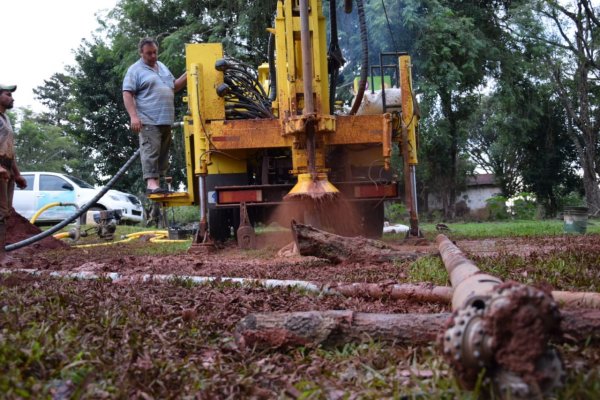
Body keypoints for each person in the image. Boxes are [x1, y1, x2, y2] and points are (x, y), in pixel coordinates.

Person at [123, 37, 187, 194]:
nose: (153, 56)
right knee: (151, 150)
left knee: (163, 153)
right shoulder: (135, 70)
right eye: (149, 53)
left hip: (166, 119)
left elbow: (174, 86)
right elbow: (127, 93)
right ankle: (151, 184)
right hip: (148, 119)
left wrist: (189, 73)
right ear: (141, 53)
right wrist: (133, 117)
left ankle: (157, 184)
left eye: (155, 52)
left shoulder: (162, 67)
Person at [0, 84, 27, 263]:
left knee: (5, 211)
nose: (12, 98)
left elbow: (10, 149)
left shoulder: (5, 119)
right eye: (8, 95)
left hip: (7, 167)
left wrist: (16, 174)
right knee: (0, 211)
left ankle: (2, 250)